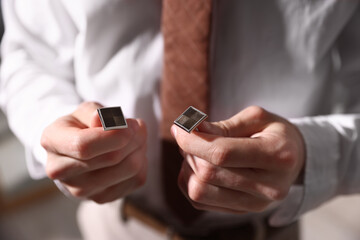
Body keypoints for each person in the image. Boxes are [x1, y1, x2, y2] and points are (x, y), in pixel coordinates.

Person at [1, 0, 360, 239]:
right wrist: (48, 124)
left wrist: (315, 152)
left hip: (270, 228)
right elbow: (26, 53)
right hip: (113, 226)